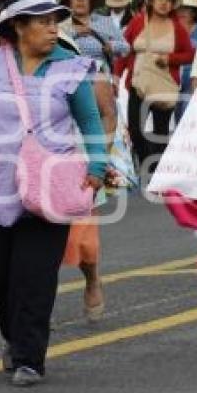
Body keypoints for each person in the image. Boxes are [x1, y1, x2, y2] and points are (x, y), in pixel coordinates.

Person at [0, 0, 106, 387]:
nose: (53, 29)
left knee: (35, 277)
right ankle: (13, 335)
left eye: (55, 21)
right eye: (43, 22)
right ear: (18, 26)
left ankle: (29, 357)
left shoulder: (70, 66)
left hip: (49, 185)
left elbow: (91, 122)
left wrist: (97, 164)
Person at [55, 30, 114, 323]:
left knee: (83, 243)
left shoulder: (92, 73)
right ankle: (37, 306)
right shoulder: (32, 77)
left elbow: (107, 114)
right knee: (40, 242)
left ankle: (92, 279)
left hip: (83, 165)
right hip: (44, 168)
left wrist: (101, 161)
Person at [115, 0, 193, 169]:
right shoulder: (138, 22)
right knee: (135, 129)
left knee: (160, 131)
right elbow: (123, 49)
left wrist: (170, 59)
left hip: (164, 85)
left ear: (172, 4)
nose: (164, 3)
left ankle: (157, 171)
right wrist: (116, 75)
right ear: (151, 0)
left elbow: (189, 54)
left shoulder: (177, 28)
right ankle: (145, 163)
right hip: (138, 83)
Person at [59, 0, 129, 76]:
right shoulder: (61, 26)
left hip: (100, 79)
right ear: (68, 2)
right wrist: (75, 33)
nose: (80, 0)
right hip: (70, 79)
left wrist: (111, 46)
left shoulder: (105, 21)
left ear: (91, 1)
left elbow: (126, 47)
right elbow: (55, 48)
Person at [174, 0, 197, 123]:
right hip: (172, 81)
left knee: (186, 118)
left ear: (193, 12)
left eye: (186, 9)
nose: (182, 12)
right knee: (175, 119)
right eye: (179, 8)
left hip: (193, 83)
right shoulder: (171, 29)